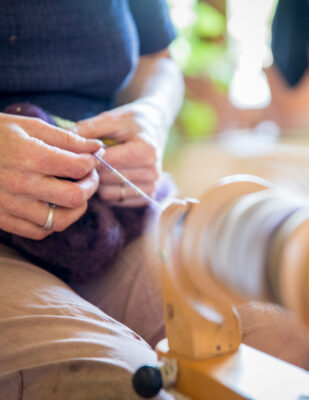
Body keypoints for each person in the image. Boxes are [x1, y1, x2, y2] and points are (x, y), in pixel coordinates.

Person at [0, 1, 183, 399]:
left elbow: (158, 59)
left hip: (112, 216)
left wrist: (151, 116)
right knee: (119, 382)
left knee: (280, 339)